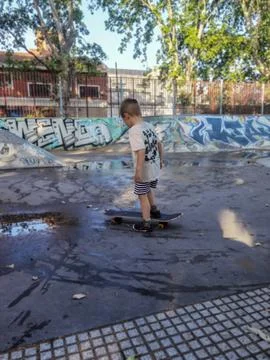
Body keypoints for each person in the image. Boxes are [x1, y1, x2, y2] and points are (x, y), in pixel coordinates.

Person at [120, 98, 164, 232]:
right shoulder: (148, 126)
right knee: (148, 189)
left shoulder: (134, 130)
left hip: (144, 169)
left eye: (124, 120)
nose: (125, 123)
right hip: (154, 166)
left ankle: (146, 222)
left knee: (142, 195)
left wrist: (137, 172)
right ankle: (154, 209)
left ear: (126, 116)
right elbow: (159, 144)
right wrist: (161, 160)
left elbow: (141, 151)